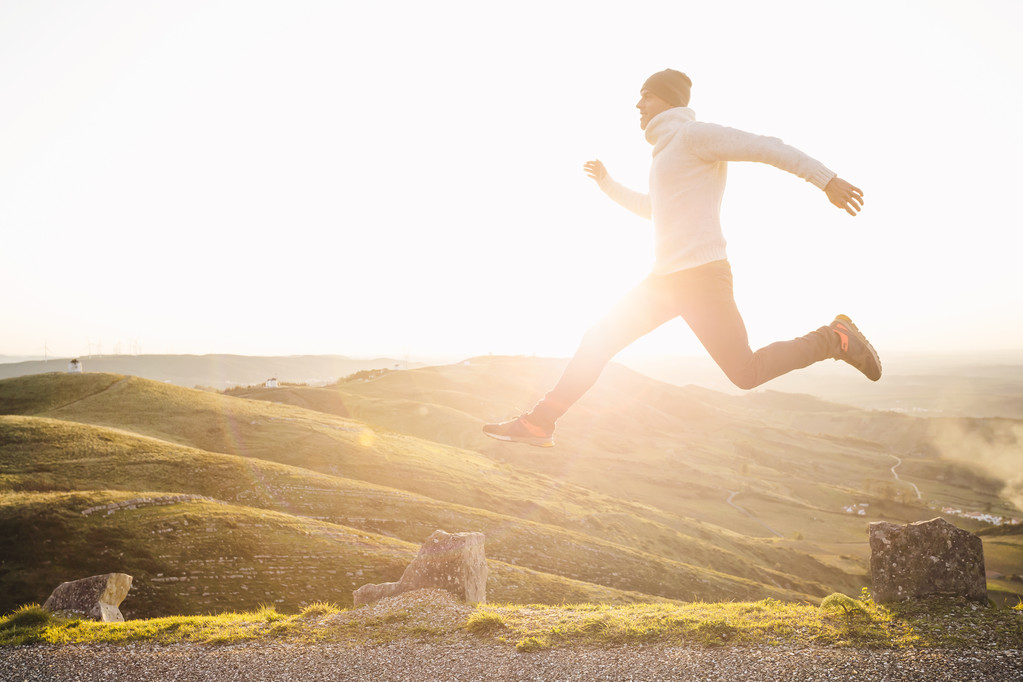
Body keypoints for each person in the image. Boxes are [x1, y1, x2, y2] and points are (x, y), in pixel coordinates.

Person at [483, 68, 880, 448]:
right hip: (665, 281)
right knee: (597, 339)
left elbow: (765, 146)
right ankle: (539, 424)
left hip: (702, 278)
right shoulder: (663, 154)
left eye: (646, 97)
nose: (638, 105)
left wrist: (825, 179)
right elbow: (654, 208)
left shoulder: (694, 136)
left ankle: (835, 338)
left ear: (667, 101)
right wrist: (606, 184)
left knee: (745, 373)